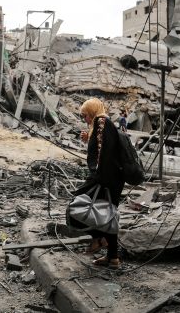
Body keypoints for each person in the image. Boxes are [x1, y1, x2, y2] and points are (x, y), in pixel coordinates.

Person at [71, 97, 124, 269]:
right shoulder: (100, 125)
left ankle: (98, 238)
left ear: (92, 112)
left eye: (85, 116)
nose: (85, 120)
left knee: (76, 204)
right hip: (110, 176)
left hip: (105, 176)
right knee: (107, 214)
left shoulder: (101, 121)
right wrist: (89, 138)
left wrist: (99, 177)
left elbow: (103, 152)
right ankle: (113, 257)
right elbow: (103, 146)